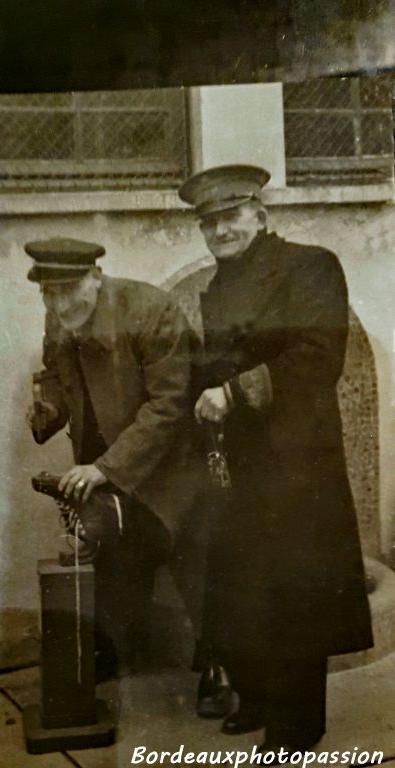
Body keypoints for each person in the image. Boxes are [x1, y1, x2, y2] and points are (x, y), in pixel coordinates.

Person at [178, 165, 373, 752]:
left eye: (231, 216)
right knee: (245, 585)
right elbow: (216, 366)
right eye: (209, 223)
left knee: (296, 591)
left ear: (260, 215)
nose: (220, 230)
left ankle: (297, 725)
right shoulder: (217, 288)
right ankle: (258, 699)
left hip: (297, 463)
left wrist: (233, 392)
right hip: (241, 462)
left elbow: (318, 357)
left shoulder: (310, 265)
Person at [25, 237, 201, 676]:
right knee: (112, 559)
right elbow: (54, 373)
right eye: (49, 291)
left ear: (97, 278)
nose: (59, 303)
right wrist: (48, 408)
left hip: (172, 462)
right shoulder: (59, 316)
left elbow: (168, 405)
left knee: (193, 561)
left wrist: (105, 469)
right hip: (106, 462)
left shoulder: (150, 310)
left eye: (69, 288)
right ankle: (113, 658)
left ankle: (216, 665)